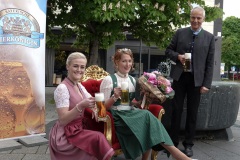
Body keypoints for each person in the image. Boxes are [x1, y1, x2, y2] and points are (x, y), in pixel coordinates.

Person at [100, 48, 194, 160]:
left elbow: (133, 103)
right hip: (118, 118)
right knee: (147, 117)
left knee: (147, 119)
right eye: (124, 61)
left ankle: (175, 156)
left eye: (130, 61)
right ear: (116, 62)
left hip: (130, 114)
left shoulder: (133, 80)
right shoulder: (109, 80)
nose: (127, 64)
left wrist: (146, 98)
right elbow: (102, 108)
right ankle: (179, 156)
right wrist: (114, 97)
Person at [165, 6, 215, 157]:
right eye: (193, 17)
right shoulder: (180, 33)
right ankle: (173, 143)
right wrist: (178, 57)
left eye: (199, 18)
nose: (195, 20)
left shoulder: (209, 37)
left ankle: (188, 144)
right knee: (176, 110)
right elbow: (168, 51)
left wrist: (206, 84)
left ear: (203, 19)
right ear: (190, 18)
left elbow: (210, 63)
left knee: (192, 113)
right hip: (179, 77)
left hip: (197, 80)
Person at [49, 52, 114, 160]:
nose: (79, 70)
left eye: (82, 67)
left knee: (97, 139)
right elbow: (63, 120)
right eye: (75, 66)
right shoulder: (62, 88)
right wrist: (80, 106)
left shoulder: (79, 86)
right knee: (98, 138)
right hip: (66, 134)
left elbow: (91, 100)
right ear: (67, 66)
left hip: (78, 129)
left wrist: (95, 109)